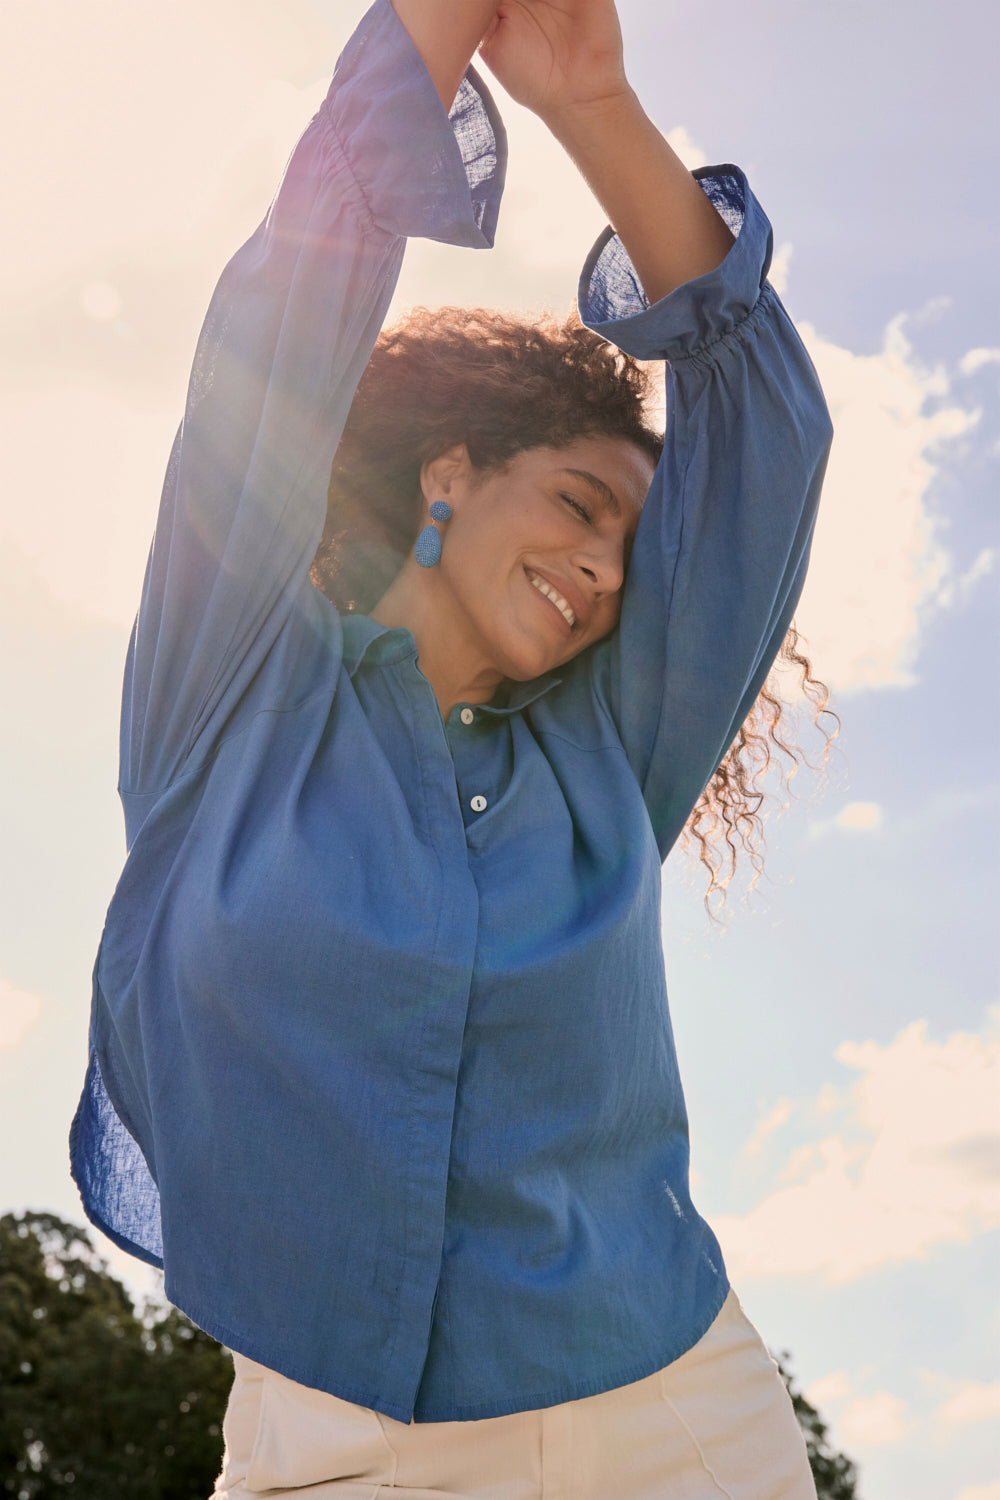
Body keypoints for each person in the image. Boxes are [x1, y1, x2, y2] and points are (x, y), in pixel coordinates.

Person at [69, 0, 834, 1494]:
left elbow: (769, 431)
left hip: (671, 1415)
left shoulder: (612, 753)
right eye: (576, 505)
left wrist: (592, 104)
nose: (606, 569)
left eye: (629, 546)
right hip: (332, 1444)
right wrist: (431, 25)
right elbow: (285, 313)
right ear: (450, 473)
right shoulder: (232, 698)